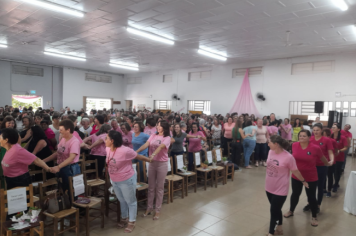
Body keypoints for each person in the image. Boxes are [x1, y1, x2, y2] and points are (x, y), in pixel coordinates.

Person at [106, 130, 151, 232]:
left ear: (112, 140)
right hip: (114, 180)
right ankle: (124, 217)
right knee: (122, 200)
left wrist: (150, 160)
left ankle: (132, 221)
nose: (105, 140)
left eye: (107, 138)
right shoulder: (107, 149)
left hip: (126, 180)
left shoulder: (125, 150)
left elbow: (138, 156)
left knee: (130, 201)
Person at [284, 130, 329, 227]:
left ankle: (314, 216)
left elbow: (323, 158)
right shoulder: (294, 145)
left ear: (309, 137)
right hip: (296, 175)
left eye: (304, 136)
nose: (301, 137)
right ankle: (291, 210)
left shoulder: (315, 148)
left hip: (310, 177)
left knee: (311, 196)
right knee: (295, 194)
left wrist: (328, 164)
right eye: (300, 136)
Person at [265, 135, 307, 236]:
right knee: (276, 208)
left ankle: (271, 232)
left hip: (281, 188)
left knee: (273, 210)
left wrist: (303, 181)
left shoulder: (288, 157)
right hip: (269, 186)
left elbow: (295, 171)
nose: (268, 144)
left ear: (276, 144)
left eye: (269, 142)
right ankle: (279, 227)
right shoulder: (270, 152)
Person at [135, 121, 171, 220]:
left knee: (159, 188)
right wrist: (135, 152)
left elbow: (160, 147)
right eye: (157, 125)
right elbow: (146, 145)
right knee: (151, 187)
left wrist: (153, 155)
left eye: (160, 126)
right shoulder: (153, 135)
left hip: (161, 164)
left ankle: (157, 210)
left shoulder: (167, 138)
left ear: (165, 127)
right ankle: (149, 208)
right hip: (152, 163)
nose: (158, 127)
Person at [43, 120, 81, 194]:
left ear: (68, 130)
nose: (59, 132)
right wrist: (43, 161)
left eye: (61, 130)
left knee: (71, 191)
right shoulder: (63, 139)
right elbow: (58, 153)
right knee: (63, 190)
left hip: (70, 168)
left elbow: (71, 158)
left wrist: (58, 167)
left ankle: (73, 205)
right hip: (62, 167)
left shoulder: (74, 141)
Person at [305, 123, 334, 212]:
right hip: (311, 166)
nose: (315, 132)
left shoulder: (326, 140)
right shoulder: (310, 139)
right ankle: (310, 203)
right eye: (314, 130)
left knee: (320, 186)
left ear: (321, 130)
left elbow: (330, 152)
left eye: (317, 130)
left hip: (322, 166)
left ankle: (318, 204)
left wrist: (331, 160)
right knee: (309, 186)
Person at [330, 124, 347, 193]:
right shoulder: (330, 136)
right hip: (331, 157)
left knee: (337, 172)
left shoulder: (342, 137)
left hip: (339, 157)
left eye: (334, 127)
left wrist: (339, 150)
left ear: (338, 129)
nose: (332, 128)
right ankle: (331, 184)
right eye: (332, 127)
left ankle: (336, 184)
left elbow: (346, 147)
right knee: (331, 172)